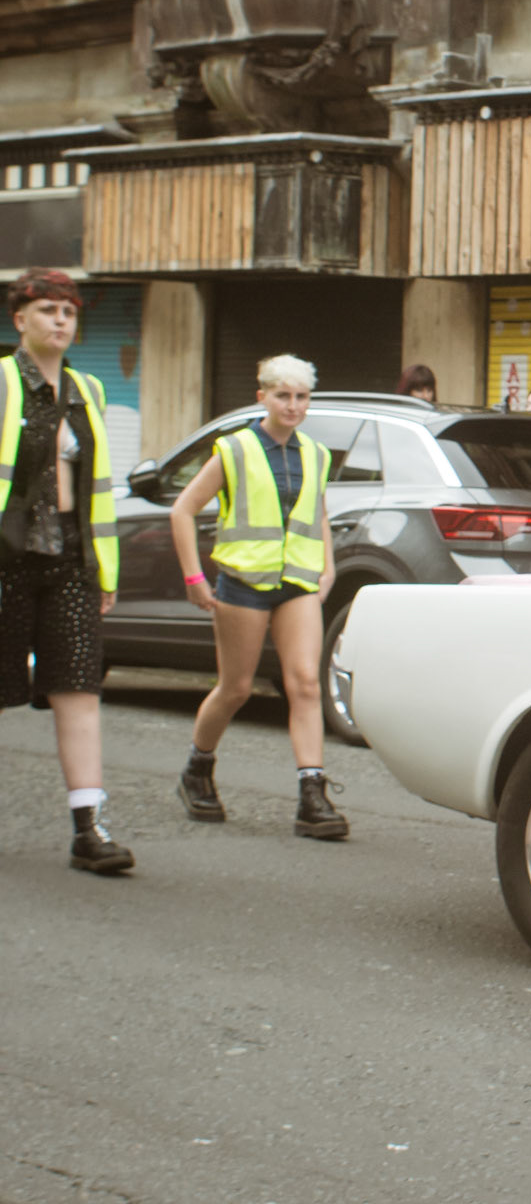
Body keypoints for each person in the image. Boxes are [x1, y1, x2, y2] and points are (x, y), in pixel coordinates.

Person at [169, 354, 348, 841]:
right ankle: (197, 769)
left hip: (297, 583)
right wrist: (194, 578)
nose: (293, 405)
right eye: (283, 395)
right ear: (262, 397)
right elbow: (182, 510)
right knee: (236, 688)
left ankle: (312, 794)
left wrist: (328, 565)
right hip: (243, 582)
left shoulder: (317, 454)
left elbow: (317, 512)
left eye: (301, 397)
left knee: (305, 684)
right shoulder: (235, 449)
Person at [0, 268, 132, 874]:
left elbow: (97, 489)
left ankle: (89, 828)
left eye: (69, 311)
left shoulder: (89, 390)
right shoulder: (3, 383)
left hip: (71, 562)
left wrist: (104, 571)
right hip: (6, 559)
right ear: (20, 319)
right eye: (48, 310)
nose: (60, 320)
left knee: (78, 687)